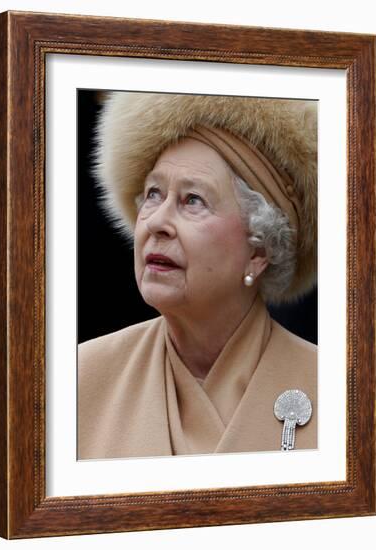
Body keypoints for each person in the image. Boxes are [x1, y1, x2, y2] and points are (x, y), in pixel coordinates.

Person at [78, 92, 317, 459]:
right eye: (153, 194)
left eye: (193, 200)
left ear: (259, 251)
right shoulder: (79, 378)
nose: (156, 222)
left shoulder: (341, 392)